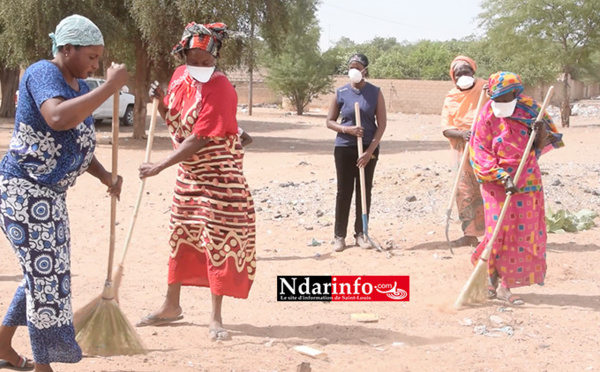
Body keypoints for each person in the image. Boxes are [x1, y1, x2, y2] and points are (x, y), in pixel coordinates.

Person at [0, 14, 127, 372]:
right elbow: (57, 118)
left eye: (99, 58)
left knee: (46, 276)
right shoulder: (42, 73)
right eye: (91, 57)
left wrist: (105, 176)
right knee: (45, 280)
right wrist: (110, 87)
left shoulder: (80, 88)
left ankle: (3, 347)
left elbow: (75, 143)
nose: (96, 64)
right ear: (66, 49)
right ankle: (44, 366)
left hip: (50, 198)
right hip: (23, 193)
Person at [135, 22, 256, 342]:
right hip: (189, 176)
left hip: (220, 181)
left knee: (216, 243)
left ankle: (215, 317)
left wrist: (159, 166)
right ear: (184, 55)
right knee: (181, 237)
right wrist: (160, 101)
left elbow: (200, 138)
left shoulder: (222, 88)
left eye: (207, 62)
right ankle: (171, 305)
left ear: (215, 58)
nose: (201, 67)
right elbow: (174, 121)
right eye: (195, 60)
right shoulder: (178, 78)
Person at [469, 71, 564, 305]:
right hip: (494, 180)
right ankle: (488, 278)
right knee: (497, 231)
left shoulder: (532, 111)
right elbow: (479, 150)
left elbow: (542, 145)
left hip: (527, 178)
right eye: (495, 98)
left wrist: (539, 132)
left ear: (515, 93)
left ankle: (505, 285)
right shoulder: (487, 114)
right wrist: (501, 176)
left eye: (504, 98)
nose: (499, 103)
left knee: (521, 233)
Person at [326, 53, 386, 252]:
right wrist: (347, 130)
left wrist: (369, 151)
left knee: (364, 190)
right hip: (344, 148)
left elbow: (382, 125)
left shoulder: (375, 92)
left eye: (357, 66)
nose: (353, 69)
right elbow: (330, 121)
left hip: (368, 148)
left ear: (365, 70)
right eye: (351, 65)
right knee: (344, 192)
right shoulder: (341, 92)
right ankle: (339, 236)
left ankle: (361, 233)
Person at [440, 55, 486, 248]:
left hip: (485, 148)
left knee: (488, 189)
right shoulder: (451, 98)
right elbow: (446, 128)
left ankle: (494, 233)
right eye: (458, 73)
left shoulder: (485, 89)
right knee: (464, 191)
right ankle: (469, 234)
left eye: (466, 71)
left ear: (473, 72)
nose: (463, 75)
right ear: (453, 77)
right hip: (461, 149)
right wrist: (462, 134)